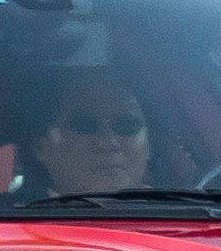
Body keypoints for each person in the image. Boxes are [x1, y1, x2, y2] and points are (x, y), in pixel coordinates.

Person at [16, 72, 152, 199]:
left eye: (127, 125)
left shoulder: (171, 213)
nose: (109, 142)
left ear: (149, 144)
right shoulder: (4, 217)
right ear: (39, 145)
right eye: (86, 125)